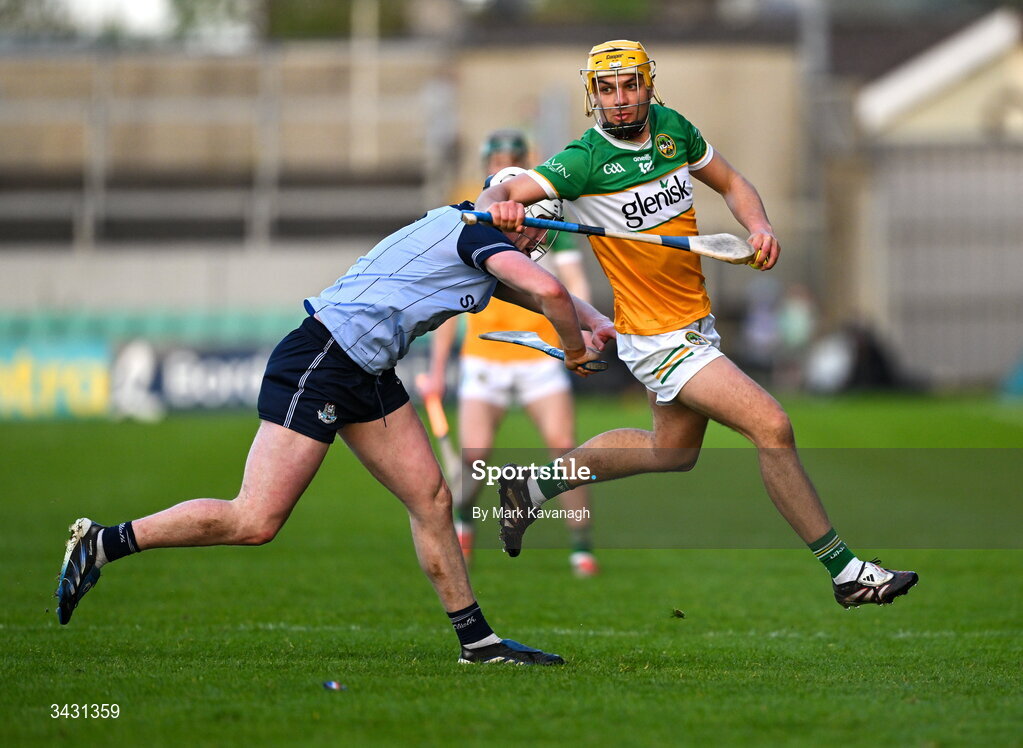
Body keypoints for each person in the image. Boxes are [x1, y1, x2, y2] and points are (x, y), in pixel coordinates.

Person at [53, 194, 615, 665]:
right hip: (323, 359)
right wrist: (572, 349)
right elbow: (549, 292)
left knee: (432, 499)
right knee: (254, 519)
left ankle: (478, 642)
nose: (534, 251)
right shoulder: (475, 234)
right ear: (515, 218)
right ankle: (103, 542)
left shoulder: (474, 237)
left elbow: (538, 295)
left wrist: (596, 323)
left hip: (366, 369)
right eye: (533, 236)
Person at [476, 40, 918, 608]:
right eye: (607, 89)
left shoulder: (673, 130)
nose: (620, 99)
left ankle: (529, 489)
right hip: (658, 338)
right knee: (773, 427)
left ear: (648, 85)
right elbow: (503, 190)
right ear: (593, 96)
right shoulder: (583, 160)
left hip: (693, 323)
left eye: (630, 85)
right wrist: (500, 205)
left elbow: (734, 183)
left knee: (672, 452)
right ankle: (846, 572)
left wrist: (758, 227)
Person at [421, 129, 599, 577]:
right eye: (496, 157)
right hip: (484, 358)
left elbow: (572, 285)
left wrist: (579, 332)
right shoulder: (470, 216)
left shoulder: (551, 218)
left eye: (511, 157)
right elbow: (450, 305)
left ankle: (581, 546)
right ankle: (464, 528)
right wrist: (439, 368)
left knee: (565, 449)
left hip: (538, 355)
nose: (502, 163)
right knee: (472, 456)